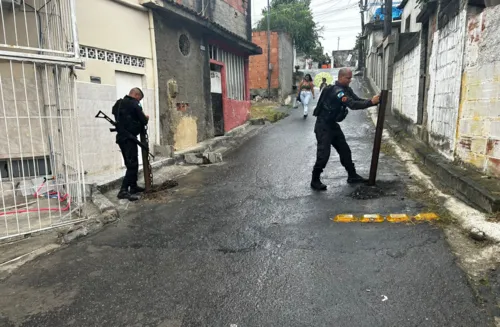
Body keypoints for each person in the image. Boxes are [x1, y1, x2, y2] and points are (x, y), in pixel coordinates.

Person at [310, 68, 380, 191]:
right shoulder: (337, 92)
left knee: (345, 150)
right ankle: (315, 180)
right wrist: (370, 102)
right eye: (348, 78)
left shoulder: (346, 89)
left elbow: (356, 100)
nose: (350, 80)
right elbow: (352, 104)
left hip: (332, 125)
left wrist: (372, 101)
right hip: (323, 126)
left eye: (350, 78)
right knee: (323, 154)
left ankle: (352, 175)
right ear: (341, 77)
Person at [112, 87, 149, 201]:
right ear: (136, 95)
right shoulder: (134, 104)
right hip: (129, 138)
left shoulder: (118, 103)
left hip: (122, 138)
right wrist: (145, 117)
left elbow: (117, 115)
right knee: (132, 165)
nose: (139, 101)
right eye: (139, 99)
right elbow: (143, 120)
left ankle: (133, 186)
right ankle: (123, 191)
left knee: (132, 163)